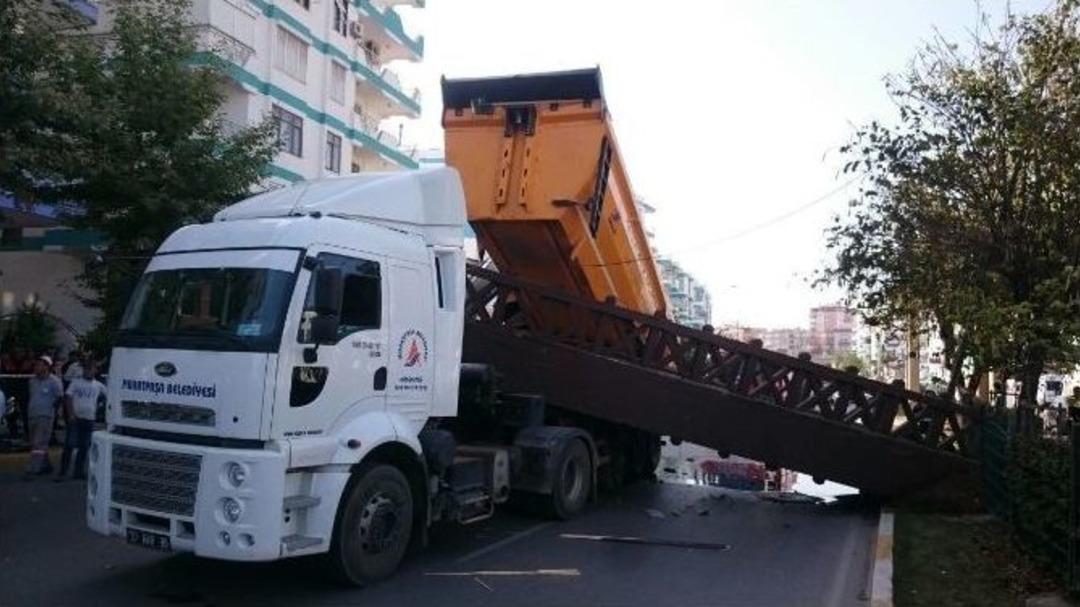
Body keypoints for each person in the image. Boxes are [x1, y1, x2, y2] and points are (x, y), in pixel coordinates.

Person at [56, 359, 105, 481]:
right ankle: (63, 472)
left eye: (91, 369)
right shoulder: (76, 383)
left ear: (95, 370)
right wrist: (70, 414)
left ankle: (78, 472)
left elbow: (108, 395)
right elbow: (68, 397)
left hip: (89, 419)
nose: (88, 371)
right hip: (76, 418)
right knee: (69, 445)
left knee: (84, 447)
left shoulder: (98, 385)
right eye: (87, 369)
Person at [23, 355, 64, 479]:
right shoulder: (32, 381)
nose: (36, 367)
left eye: (39, 365)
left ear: (47, 366)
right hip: (32, 415)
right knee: (36, 442)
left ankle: (33, 470)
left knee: (39, 443)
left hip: (45, 415)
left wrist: (53, 412)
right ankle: (46, 465)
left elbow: (59, 397)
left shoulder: (54, 381)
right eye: (36, 365)